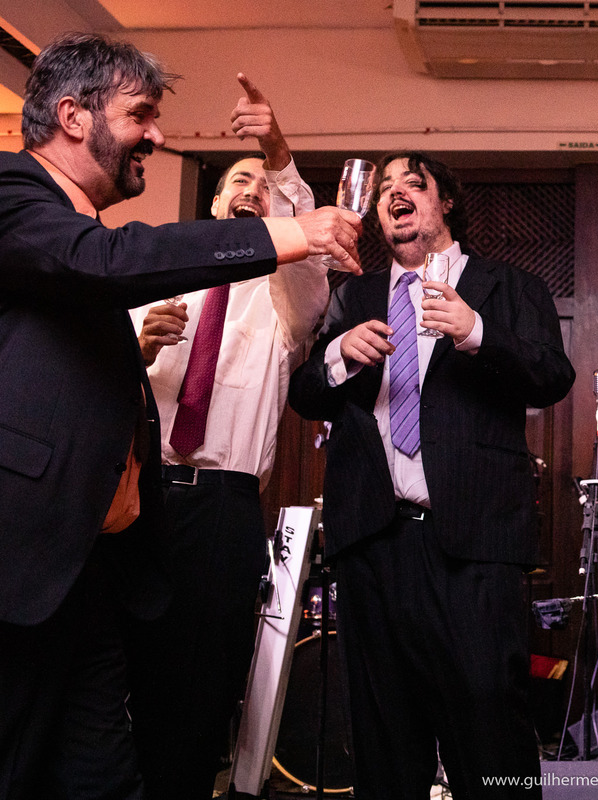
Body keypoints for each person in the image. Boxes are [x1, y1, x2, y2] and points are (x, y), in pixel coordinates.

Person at [0, 32, 361, 800]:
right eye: (141, 115)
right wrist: (289, 231)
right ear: (72, 116)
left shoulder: (259, 293)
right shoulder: (15, 196)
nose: (158, 136)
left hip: (126, 550)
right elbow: (101, 269)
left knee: (115, 766)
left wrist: (291, 211)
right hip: (31, 555)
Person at [288, 150, 575, 799]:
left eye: (412, 183)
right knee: (385, 740)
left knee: (490, 730)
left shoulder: (509, 287)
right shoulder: (353, 296)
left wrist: (477, 332)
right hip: (372, 542)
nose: (395, 193)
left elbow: (553, 377)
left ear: (445, 200)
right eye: (384, 187)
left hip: (476, 544)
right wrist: (338, 356)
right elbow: (304, 395)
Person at [125, 74, 330, 800]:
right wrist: (136, 353)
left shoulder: (284, 301)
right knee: (124, 672)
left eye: (263, 189)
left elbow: (309, 256)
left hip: (223, 508)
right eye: (239, 181)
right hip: (141, 498)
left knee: (203, 686)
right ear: (214, 203)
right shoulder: (153, 277)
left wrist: (276, 153)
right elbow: (95, 389)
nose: (251, 192)